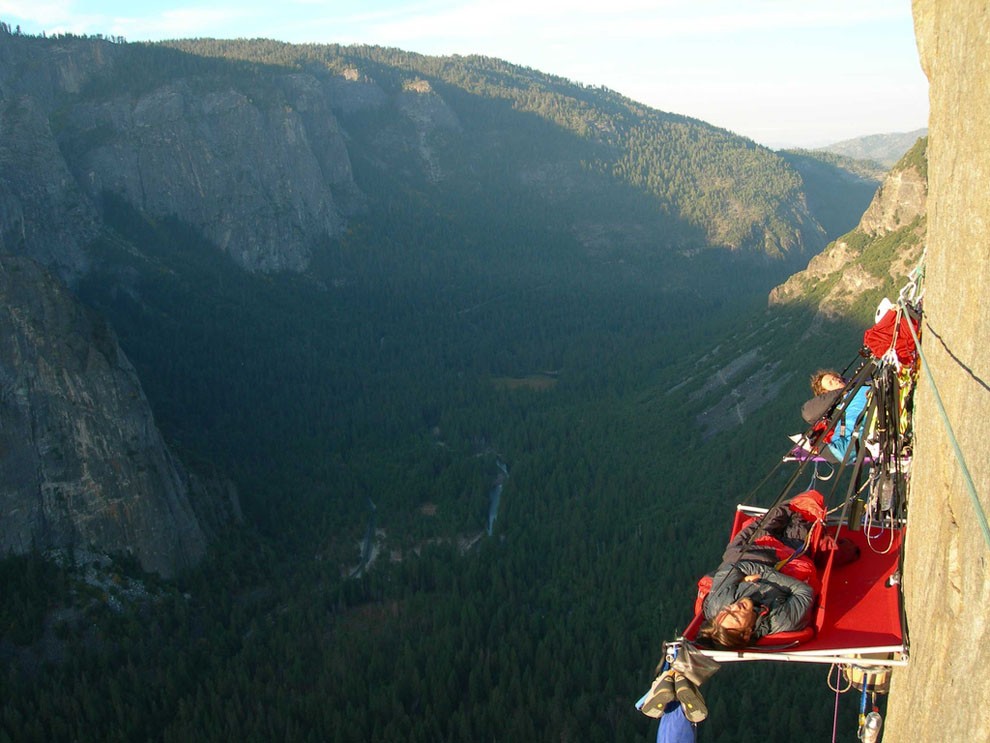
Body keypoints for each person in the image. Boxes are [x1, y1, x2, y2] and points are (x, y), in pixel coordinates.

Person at [696, 492, 823, 650]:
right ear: (746, 634)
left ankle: (791, 505)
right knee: (805, 511)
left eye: (729, 609)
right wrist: (762, 575)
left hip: (751, 550)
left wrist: (767, 578)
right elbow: (805, 592)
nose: (735, 607)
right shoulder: (781, 620)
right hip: (789, 558)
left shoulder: (718, 605)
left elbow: (732, 567)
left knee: (781, 511)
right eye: (736, 617)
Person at [801, 369, 871, 463]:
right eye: (831, 383)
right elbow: (808, 413)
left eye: (835, 378)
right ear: (826, 393)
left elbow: (842, 453)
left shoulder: (857, 386)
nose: (836, 380)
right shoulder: (840, 405)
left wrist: (818, 448)